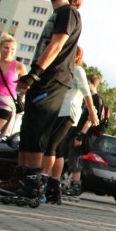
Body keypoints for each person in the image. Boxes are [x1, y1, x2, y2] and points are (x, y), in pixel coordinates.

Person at [0, 0, 82, 203]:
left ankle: (32, 186)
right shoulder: (58, 13)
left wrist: (34, 74)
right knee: (28, 131)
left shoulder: (68, 12)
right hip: (44, 79)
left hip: (52, 79)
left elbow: (56, 46)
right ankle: (22, 179)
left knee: (37, 133)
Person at [39, 46, 98, 205]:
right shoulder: (62, 69)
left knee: (50, 146)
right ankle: (53, 189)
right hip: (55, 111)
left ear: (77, 55)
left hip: (67, 112)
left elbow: (86, 92)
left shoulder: (77, 70)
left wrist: (92, 113)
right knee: (57, 149)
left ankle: (42, 185)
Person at [0, 34, 27, 153]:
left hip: (5, 103)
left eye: (12, 49)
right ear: (0, 48)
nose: (9, 51)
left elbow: (27, 86)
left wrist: (23, 90)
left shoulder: (19, 67)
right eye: (6, 47)